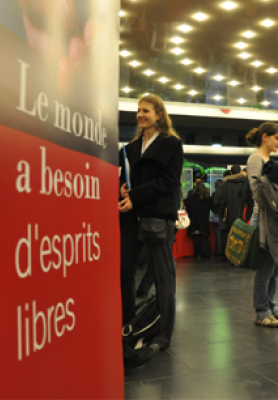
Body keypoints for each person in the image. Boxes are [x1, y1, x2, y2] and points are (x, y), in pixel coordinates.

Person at [119, 94, 183, 355]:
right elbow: (124, 178)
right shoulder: (131, 147)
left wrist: (134, 196)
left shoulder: (171, 144)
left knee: (162, 277)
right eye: (138, 111)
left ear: (159, 114)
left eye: (145, 110)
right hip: (130, 219)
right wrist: (122, 188)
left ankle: (164, 333)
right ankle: (129, 323)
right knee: (124, 272)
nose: (140, 115)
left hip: (157, 218)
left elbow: (169, 183)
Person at [246, 122, 278, 327]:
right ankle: (262, 311)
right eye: (277, 138)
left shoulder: (268, 160)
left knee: (275, 268)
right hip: (263, 218)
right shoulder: (256, 159)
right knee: (265, 268)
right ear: (265, 137)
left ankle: (271, 305)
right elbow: (256, 191)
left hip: (272, 218)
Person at [220, 165, 246, 260]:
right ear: (240, 172)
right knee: (242, 235)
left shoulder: (227, 184)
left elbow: (223, 201)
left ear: (231, 173)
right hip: (243, 214)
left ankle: (230, 256)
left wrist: (223, 214)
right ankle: (241, 256)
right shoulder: (245, 183)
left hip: (230, 213)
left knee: (230, 235)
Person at [184, 181, 213, 259]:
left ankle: (198, 254)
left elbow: (185, 203)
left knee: (196, 237)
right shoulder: (207, 198)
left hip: (194, 220)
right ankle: (207, 253)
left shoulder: (192, 197)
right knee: (204, 236)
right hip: (204, 220)